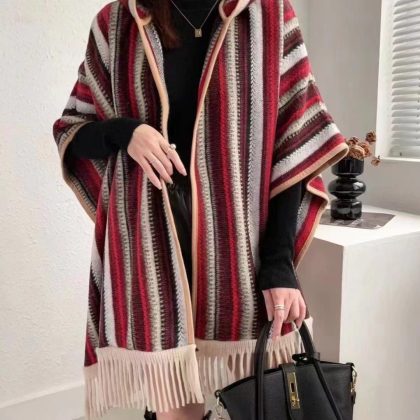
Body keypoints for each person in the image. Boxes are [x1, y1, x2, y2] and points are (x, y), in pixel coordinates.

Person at [52, 0, 349, 419]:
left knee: (264, 398)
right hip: (151, 246)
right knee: (176, 408)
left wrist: (280, 263)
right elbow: (72, 129)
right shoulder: (117, 22)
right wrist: (125, 131)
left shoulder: (268, 14)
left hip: (240, 245)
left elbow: (294, 140)